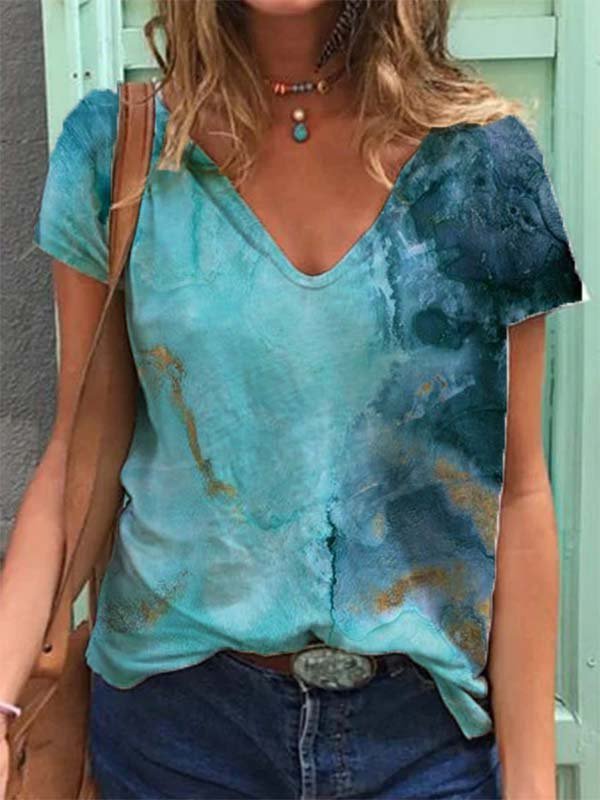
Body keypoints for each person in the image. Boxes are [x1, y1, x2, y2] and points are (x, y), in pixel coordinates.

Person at [0, 1, 591, 798]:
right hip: (178, 735)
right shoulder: (119, 153)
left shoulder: (486, 164)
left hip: (422, 744)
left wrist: (533, 785)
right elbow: (79, 454)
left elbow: (518, 495)